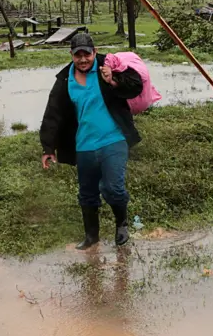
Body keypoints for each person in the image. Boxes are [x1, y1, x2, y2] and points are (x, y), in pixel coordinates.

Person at [39, 33, 144, 249]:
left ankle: (121, 224)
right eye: (78, 55)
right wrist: (48, 147)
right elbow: (53, 113)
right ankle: (91, 236)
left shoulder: (109, 66)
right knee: (87, 193)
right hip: (84, 145)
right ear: (72, 55)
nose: (83, 59)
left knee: (113, 187)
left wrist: (113, 80)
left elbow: (136, 86)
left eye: (87, 54)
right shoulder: (65, 79)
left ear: (94, 52)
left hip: (114, 139)